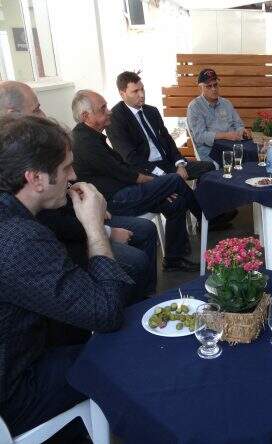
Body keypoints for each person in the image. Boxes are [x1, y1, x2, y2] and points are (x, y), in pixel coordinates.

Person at [0, 115, 131, 438]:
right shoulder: (18, 237)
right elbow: (106, 312)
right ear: (36, 179)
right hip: (16, 391)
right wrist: (95, 227)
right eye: (66, 168)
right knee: (122, 350)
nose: (73, 176)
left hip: (22, 349)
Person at [0, 80, 157, 301]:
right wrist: (100, 230)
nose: (43, 115)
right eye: (36, 109)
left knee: (152, 220)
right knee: (137, 260)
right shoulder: (20, 238)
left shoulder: (31, 161)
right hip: (68, 242)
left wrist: (80, 200)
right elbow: (102, 309)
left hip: (76, 225)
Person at [71, 89, 201, 272]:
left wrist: (159, 188)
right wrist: (158, 185)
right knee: (174, 179)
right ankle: (204, 216)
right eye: (103, 108)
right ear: (86, 116)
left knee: (176, 202)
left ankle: (173, 259)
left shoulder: (91, 135)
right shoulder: (85, 142)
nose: (109, 111)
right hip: (114, 200)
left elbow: (123, 168)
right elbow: (127, 173)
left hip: (126, 190)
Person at [107, 71, 236, 230]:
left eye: (142, 89)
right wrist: (163, 175)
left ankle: (209, 213)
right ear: (122, 94)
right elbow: (130, 158)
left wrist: (179, 164)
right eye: (135, 91)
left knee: (208, 167)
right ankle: (207, 218)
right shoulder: (116, 118)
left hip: (168, 162)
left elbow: (168, 141)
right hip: (146, 170)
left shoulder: (151, 111)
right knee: (176, 184)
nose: (142, 94)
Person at [186, 68, 254, 166]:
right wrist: (225, 135)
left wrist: (243, 132)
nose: (213, 89)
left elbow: (238, 125)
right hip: (210, 151)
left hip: (233, 146)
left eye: (215, 85)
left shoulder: (226, 103)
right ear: (201, 87)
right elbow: (200, 137)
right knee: (245, 161)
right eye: (209, 86)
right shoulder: (195, 107)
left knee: (255, 154)